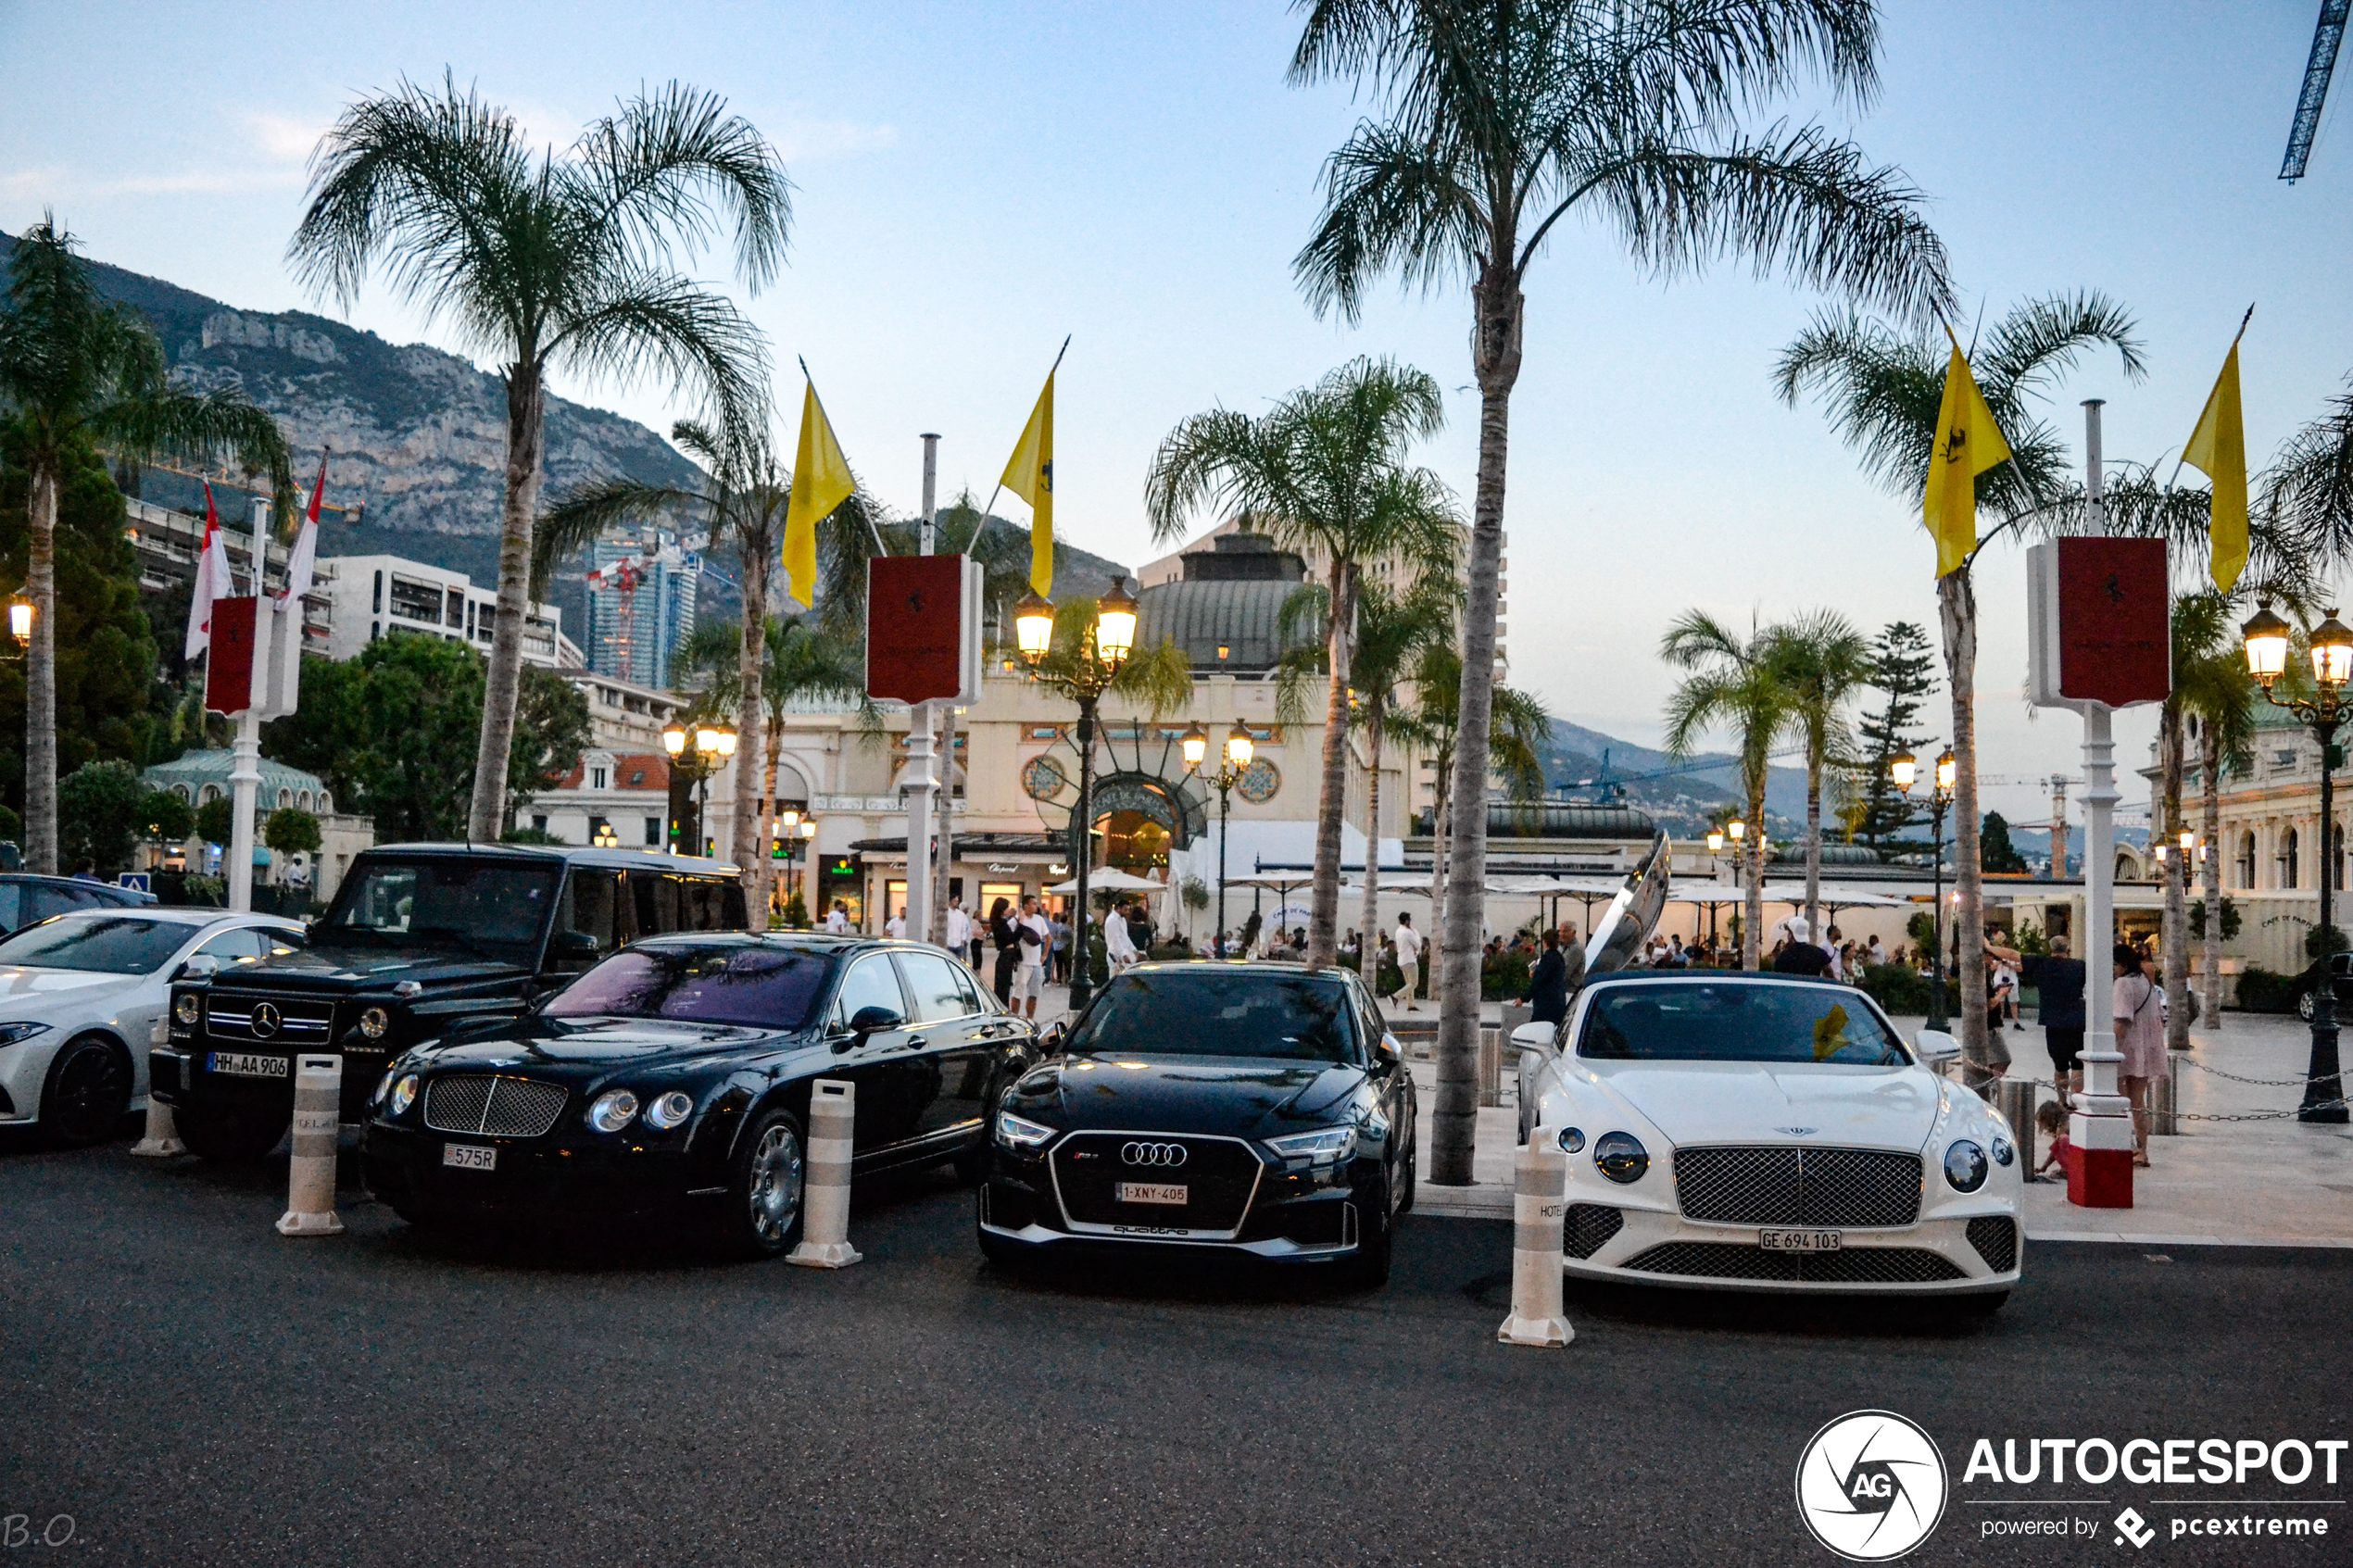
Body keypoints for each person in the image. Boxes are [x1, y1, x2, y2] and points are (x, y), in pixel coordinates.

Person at [1986, 935, 2085, 1098]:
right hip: (2077, 1020)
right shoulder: (2079, 966)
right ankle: (2076, 1101)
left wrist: (1989, 947)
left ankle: (2062, 1101)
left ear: (2051, 948)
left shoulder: (2042, 963)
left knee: (2060, 1066)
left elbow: (2012, 954)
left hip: (2053, 1021)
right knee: (2077, 1066)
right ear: (2067, 949)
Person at [2112, 943, 2167, 1168]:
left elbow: (2122, 1019)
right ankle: (2142, 1149)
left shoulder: (2123, 983)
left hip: (2127, 1046)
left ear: (2122, 964)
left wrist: (2108, 1045)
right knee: (2138, 1102)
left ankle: (2121, 1145)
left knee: (2117, 1099)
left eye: (2114, 965)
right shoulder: (2146, 981)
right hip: (2147, 1045)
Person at [1011, 896, 1051, 1019]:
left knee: (1034, 994)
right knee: (1018, 993)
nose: (1036, 906)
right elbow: (1009, 937)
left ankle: (1030, 1019)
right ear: (1026, 905)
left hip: (1036, 963)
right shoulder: (1017, 920)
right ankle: (1015, 1017)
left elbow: (1048, 937)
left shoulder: (1039, 919)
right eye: (1033, 903)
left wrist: (1044, 955)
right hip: (1023, 963)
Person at [1528, 927, 1570, 1025]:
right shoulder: (1559, 958)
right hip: (1558, 1001)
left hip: (1545, 1004)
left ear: (1545, 942)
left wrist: (1524, 998)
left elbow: (1539, 981)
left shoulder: (1547, 958)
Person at [988, 897, 1019, 1006]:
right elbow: (1010, 938)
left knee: (1003, 986)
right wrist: (1020, 928)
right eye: (1007, 908)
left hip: (1006, 956)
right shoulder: (1001, 923)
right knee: (1004, 986)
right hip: (1006, 955)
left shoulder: (998, 922)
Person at [2033, 1098, 2070, 1182]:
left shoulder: (2064, 1127)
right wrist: (2044, 1167)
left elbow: (2056, 1150)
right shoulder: (2064, 1122)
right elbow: (2055, 1150)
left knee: (2062, 1140)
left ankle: (2067, 1171)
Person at [1392, 914, 1424, 1010]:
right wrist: (1415, 933)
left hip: (1401, 961)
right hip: (1410, 960)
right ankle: (1395, 996)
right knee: (1414, 983)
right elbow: (1418, 944)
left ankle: (1411, 1004)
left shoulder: (1398, 931)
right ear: (1407, 921)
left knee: (1409, 984)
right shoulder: (1408, 932)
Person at [1103, 899, 1139, 971]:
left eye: (1128, 910)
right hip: (1115, 955)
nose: (1127, 912)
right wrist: (1124, 955)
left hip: (1123, 954)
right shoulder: (1112, 920)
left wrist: (1134, 951)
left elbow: (1125, 937)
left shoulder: (1122, 919)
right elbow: (1115, 940)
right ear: (1119, 908)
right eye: (1125, 910)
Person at [945, 896, 972, 968]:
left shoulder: (961, 914)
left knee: (960, 964)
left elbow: (963, 928)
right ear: (950, 902)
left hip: (959, 944)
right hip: (949, 943)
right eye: (954, 901)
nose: (956, 903)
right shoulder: (946, 913)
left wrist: (963, 940)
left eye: (957, 901)